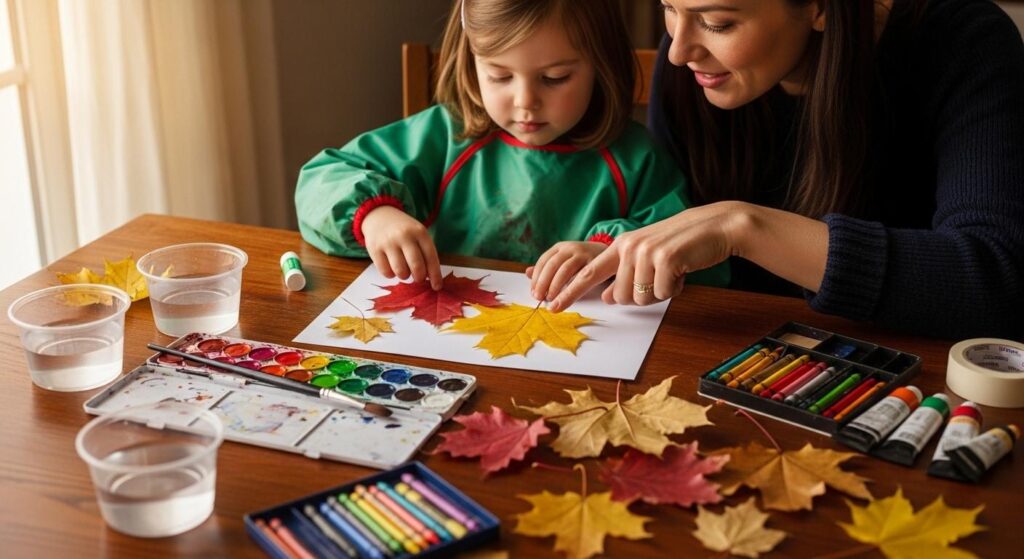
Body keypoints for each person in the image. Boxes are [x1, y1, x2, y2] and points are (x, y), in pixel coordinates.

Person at [546, 0, 1023, 339]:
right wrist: (641, 250)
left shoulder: (963, 42)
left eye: (717, 22)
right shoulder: (693, 69)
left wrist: (746, 227)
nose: (677, 49)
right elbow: (696, 232)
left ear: (819, 8)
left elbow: (999, 282)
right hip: (741, 359)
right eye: (668, 8)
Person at [296, 0, 728, 292]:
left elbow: (697, 262)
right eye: (500, 76)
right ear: (471, 61)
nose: (525, 102)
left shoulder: (637, 160)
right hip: (449, 342)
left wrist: (610, 254)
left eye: (555, 77)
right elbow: (320, 180)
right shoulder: (445, 136)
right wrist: (376, 217)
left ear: (601, 62)